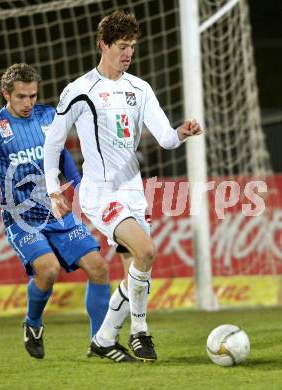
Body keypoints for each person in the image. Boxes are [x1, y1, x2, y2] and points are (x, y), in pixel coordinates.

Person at [44, 10, 202, 362]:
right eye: (121, 46)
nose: (128, 53)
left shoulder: (140, 89)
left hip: (133, 191)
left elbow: (165, 139)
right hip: (100, 193)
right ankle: (140, 330)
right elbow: (53, 143)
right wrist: (54, 188)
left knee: (139, 265)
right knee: (145, 252)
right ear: (103, 44)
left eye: (132, 46)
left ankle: (104, 339)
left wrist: (181, 132)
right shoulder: (80, 90)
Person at [0, 63, 123, 361]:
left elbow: (62, 154)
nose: (28, 103)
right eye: (21, 97)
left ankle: (100, 342)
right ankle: (32, 324)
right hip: (22, 219)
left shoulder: (48, 116)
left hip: (57, 211)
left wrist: (80, 185)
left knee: (99, 268)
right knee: (49, 270)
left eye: (32, 95)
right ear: (5, 93)